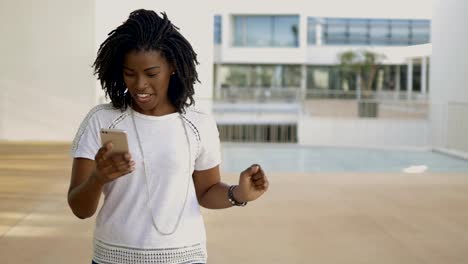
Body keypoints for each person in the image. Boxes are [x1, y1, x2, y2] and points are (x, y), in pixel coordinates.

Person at [67, 9, 269, 264]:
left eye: (151, 73)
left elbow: (206, 191)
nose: (140, 84)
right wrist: (98, 178)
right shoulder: (101, 119)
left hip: (184, 256)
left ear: (172, 67)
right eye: (130, 73)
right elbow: (79, 208)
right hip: (113, 258)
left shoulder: (198, 124)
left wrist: (239, 193)